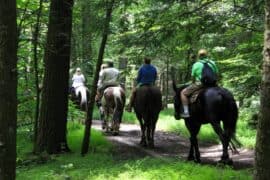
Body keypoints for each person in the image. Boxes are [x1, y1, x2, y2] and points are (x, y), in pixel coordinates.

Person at [180, 49, 219, 118]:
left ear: (199, 56)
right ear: (207, 55)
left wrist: (192, 83)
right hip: (213, 84)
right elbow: (217, 74)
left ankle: (186, 112)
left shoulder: (196, 64)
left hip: (201, 84)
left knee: (183, 93)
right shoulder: (212, 63)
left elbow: (193, 78)